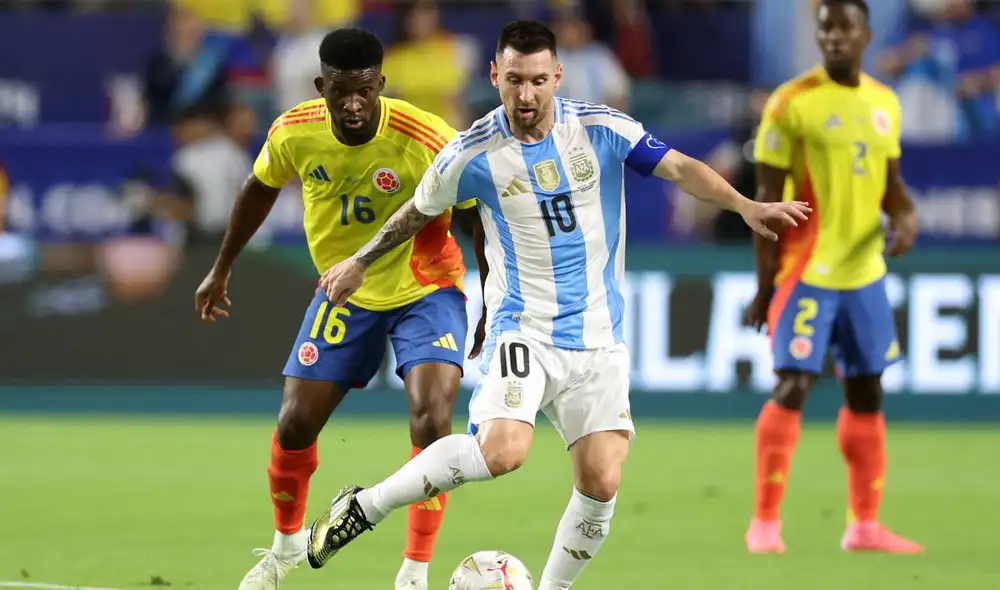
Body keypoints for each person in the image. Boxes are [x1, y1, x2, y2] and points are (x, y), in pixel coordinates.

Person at [304, 20, 809, 589]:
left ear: (557, 77)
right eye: (514, 80)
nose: (526, 95)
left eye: (539, 80)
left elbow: (679, 167)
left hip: (599, 336)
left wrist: (743, 205)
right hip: (525, 329)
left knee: (602, 478)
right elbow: (415, 212)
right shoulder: (470, 153)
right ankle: (366, 506)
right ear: (494, 75)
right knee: (502, 451)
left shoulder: (601, 128)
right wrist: (361, 261)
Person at [194, 27, 478, 590]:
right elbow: (258, 187)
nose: (352, 103)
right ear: (321, 86)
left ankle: (414, 571)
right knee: (295, 423)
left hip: (427, 289)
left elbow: (475, 215)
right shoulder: (294, 132)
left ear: (382, 85)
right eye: (340, 91)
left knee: (433, 421)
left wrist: (495, 296)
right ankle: (285, 548)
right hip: (344, 292)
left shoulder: (427, 137)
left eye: (364, 91)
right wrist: (221, 267)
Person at [743, 0, 922, 555]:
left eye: (846, 28)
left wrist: (907, 212)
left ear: (866, 34)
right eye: (826, 30)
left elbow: (889, 182)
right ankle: (765, 523)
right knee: (795, 383)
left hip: (865, 273)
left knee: (867, 391)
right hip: (807, 271)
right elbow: (767, 202)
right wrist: (765, 285)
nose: (835, 37)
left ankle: (864, 524)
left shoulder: (884, 101)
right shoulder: (791, 103)